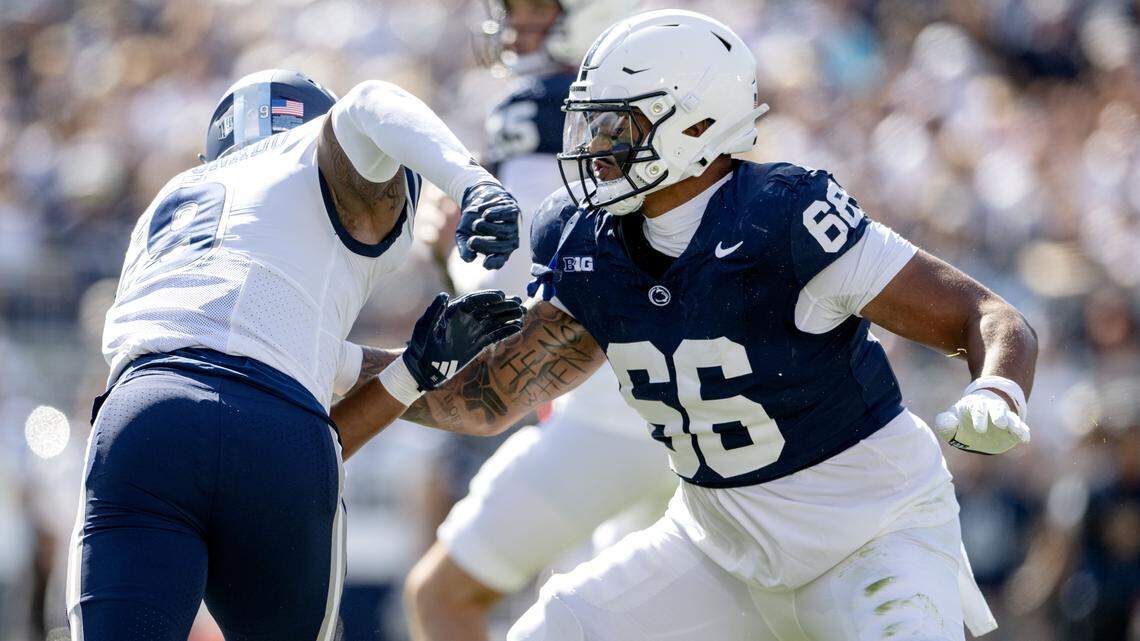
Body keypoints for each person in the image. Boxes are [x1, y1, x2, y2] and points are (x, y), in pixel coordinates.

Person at [334, 10, 1038, 640]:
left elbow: (985, 314)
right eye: (591, 124)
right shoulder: (587, 240)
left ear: (698, 125)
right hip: (718, 542)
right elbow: (490, 398)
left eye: (618, 126)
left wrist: (998, 389)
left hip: (871, 535)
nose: (594, 148)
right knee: (554, 628)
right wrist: (335, 364)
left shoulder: (785, 215)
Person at [68, 68, 525, 641]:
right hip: (277, 432)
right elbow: (370, 102)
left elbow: (260, 374)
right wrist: (473, 184)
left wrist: (413, 371)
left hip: (143, 420)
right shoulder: (303, 161)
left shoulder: (172, 216)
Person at [404, 2, 676, 640]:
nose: (518, 26)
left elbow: (509, 290)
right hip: (703, 414)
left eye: (536, 8)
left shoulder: (547, 104)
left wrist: (451, 257)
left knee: (441, 596)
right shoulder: (675, 95)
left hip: (606, 418)